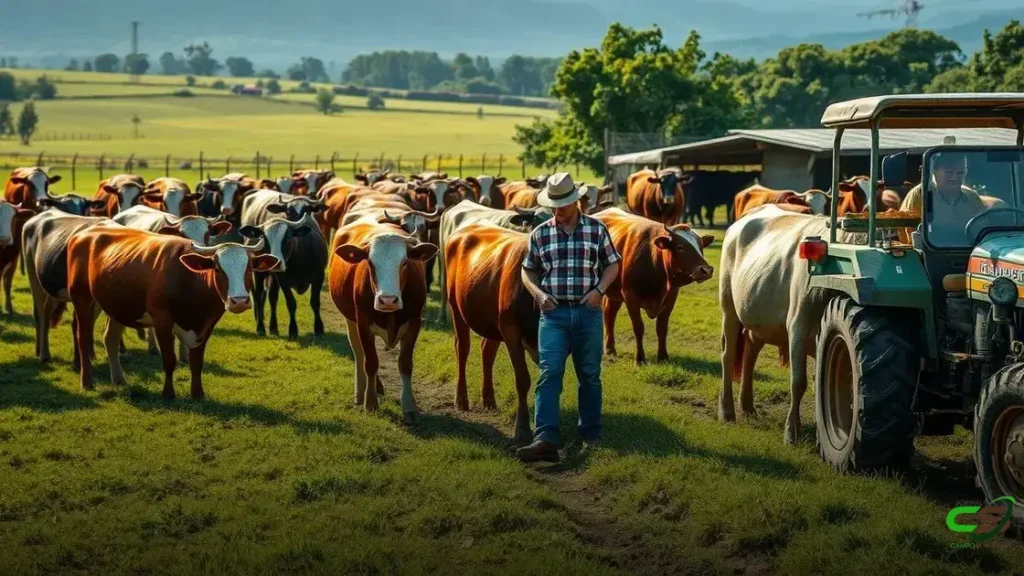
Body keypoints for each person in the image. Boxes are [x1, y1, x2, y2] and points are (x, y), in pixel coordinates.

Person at [516, 172, 621, 463]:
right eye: (553, 205)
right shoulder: (540, 233)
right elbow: (528, 270)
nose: (556, 210)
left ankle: (590, 433)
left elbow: (612, 264)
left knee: (589, 374)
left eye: (561, 204)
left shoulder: (597, 230)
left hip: (588, 312)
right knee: (549, 373)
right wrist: (538, 294)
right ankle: (546, 438)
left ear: (576, 201)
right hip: (554, 313)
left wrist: (600, 290)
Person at [900, 152, 989, 246]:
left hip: (967, 253)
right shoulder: (921, 195)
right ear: (935, 172)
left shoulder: (972, 198)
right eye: (949, 172)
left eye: (960, 172)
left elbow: (984, 230)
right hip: (931, 255)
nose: (955, 178)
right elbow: (909, 235)